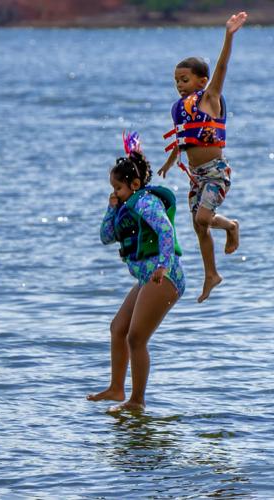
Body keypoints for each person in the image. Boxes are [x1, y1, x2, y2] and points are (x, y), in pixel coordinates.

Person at [88, 132, 185, 412]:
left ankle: (137, 401)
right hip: (147, 277)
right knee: (118, 328)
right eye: (113, 188)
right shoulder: (125, 204)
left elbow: (165, 230)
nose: (115, 192)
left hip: (164, 275)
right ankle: (117, 389)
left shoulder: (145, 201)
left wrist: (164, 265)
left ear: (135, 184)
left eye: (118, 188)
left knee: (136, 337)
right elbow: (106, 237)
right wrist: (111, 208)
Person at [158, 11, 247, 303]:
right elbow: (184, 141)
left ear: (202, 81)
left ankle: (232, 227)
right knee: (199, 226)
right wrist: (169, 163)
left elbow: (222, 67)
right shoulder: (180, 109)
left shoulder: (209, 100)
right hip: (196, 176)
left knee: (205, 216)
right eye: (176, 81)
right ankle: (211, 274)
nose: (179, 85)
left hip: (215, 172)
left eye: (184, 79)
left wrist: (229, 35)